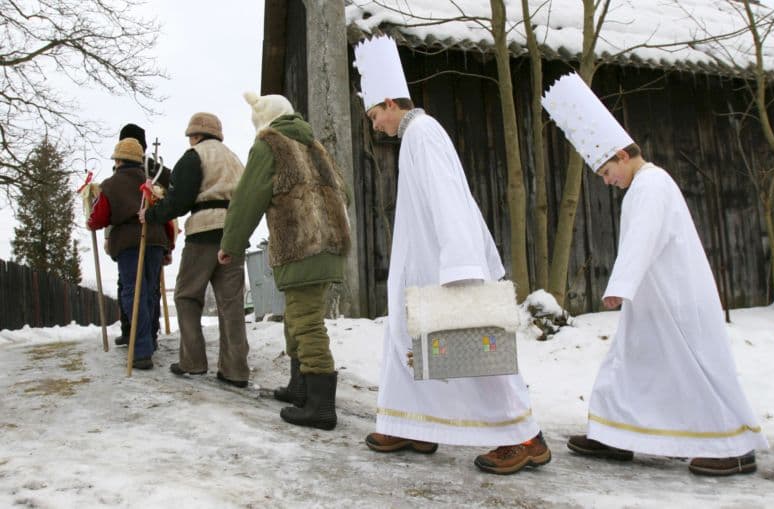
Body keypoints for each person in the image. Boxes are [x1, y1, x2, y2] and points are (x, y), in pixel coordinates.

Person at [541, 72, 768, 476]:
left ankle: (730, 443)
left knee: (693, 369)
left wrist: (620, 285)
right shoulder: (645, 184)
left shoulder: (650, 185)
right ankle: (617, 434)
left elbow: (642, 240)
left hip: (675, 303)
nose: (607, 181)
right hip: (655, 302)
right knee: (629, 365)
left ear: (622, 155)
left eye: (606, 172)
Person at [353, 35, 550, 475]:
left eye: (372, 115)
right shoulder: (414, 136)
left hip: (447, 267)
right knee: (405, 343)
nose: (373, 126)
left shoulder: (422, 134)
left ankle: (522, 436)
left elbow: (448, 199)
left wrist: (460, 266)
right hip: (421, 268)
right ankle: (411, 423)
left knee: (477, 351)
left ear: (389, 102)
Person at [218, 92, 350, 431]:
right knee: (297, 316)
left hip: (300, 244)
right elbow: (342, 193)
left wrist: (231, 243)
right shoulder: (314, 145)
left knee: (306, 322)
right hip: (330, 244)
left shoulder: (269, 144)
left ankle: (320, 407)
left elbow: (248, 197)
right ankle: (300, 387)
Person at [140, 112, 250, 387]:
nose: (189, 140)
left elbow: (180, 200)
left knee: (187, 296)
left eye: (190, 135)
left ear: (196, 134)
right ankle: (235, 370)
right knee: (231, 304)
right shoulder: (234, 159)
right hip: (234, 234)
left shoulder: (194, 157)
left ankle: (193, 362)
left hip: (203, 232)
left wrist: (152, 215)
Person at [88, 138, 169, 369]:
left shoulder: (110, 185)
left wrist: (90, 220)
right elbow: (166, 216)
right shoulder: (151, 183)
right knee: (151, 291)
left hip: (128, 244)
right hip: (154, 241)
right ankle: (150, 340)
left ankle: (141, 350)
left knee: (134, 293)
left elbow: (100, 217)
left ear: (119, 160)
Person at [112, 123, 172, 348]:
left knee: (140, 286)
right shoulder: (120, 168)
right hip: (136, 236)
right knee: (138, 286)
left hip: (149, 230)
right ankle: (134, 331)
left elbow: (170, 189)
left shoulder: (152, 168)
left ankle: (144, 333)